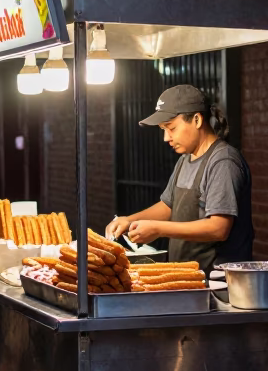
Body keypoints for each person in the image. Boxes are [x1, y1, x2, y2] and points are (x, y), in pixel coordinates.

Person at [106, 85, 254, 273]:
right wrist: (129, 220)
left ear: (197, 120)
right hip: (186, 278)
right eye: (163, 129)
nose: (166, 138)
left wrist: (157, 229)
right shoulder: (185, 159)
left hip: (217, 284)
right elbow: (169, 206)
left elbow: (219, 228)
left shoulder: (223, 161)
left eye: (171, 128)